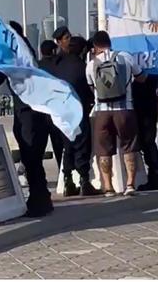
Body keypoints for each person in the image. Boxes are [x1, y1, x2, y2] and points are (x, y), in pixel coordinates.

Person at [0, 21, 52, 217]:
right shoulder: (23, 49)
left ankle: (39, 199)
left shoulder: (16, 51)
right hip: (30, 111)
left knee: (31, 155)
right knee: (32, 156)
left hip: (28, 112)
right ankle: (41, 196)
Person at [40, 34, 101, 197]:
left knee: (68, 147)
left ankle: (68, 181)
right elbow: (90, 91)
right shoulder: (82, 67)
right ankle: (84, 181)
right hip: (79, 111)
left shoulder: (58, 65)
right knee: (82, 146)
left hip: (61, 113)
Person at [87, 31, 146, 197]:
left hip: (102, 112)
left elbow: (92, 88)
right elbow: (141, 77)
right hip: (125, 109)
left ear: (95, 45)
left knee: (104, 150)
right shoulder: (126, 57)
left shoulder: (91, 64)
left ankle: (109, 187)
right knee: (129, 146)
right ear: (109, 42)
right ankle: (130, 185)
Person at [37, 40, 65, 186]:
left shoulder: (37, 67)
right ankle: (64, 176)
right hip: (56, 110)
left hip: (40, 113)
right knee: (59, 146)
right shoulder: (58, 66)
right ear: (54, 51)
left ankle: (39, 180)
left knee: (39, 148)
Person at [133, 66, 158, 192]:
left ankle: (154, 176)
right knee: (148, 141)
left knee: (147, 141)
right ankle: (154, 175)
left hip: (142, 104)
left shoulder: (139, 66)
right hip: (148, 102)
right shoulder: (153, 66)